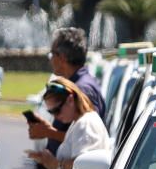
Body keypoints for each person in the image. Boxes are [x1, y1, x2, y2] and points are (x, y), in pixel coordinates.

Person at [28, 27, 104, 157]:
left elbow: (87, 138)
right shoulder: (77, 84)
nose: (50, 60)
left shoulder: (83, 89)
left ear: (62, 58)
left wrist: (48, 132)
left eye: (52, 54)